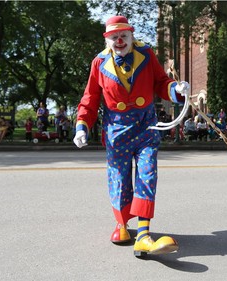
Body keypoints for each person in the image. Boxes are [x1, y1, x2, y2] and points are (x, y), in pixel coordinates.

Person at [73, 16, 189, 257]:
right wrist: (82, 125)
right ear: (107, 40)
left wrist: (175, 90)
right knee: (119, 179)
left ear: (131, 36)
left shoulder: (146, 54)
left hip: (146, 128)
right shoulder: (99, 62)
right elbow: (91, 97)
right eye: (114, 37)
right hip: (117, 131)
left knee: (147, 175)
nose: (119, 41)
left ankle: (144, 233)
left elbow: (161, 82)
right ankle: (122, 224)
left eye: (123, 36)